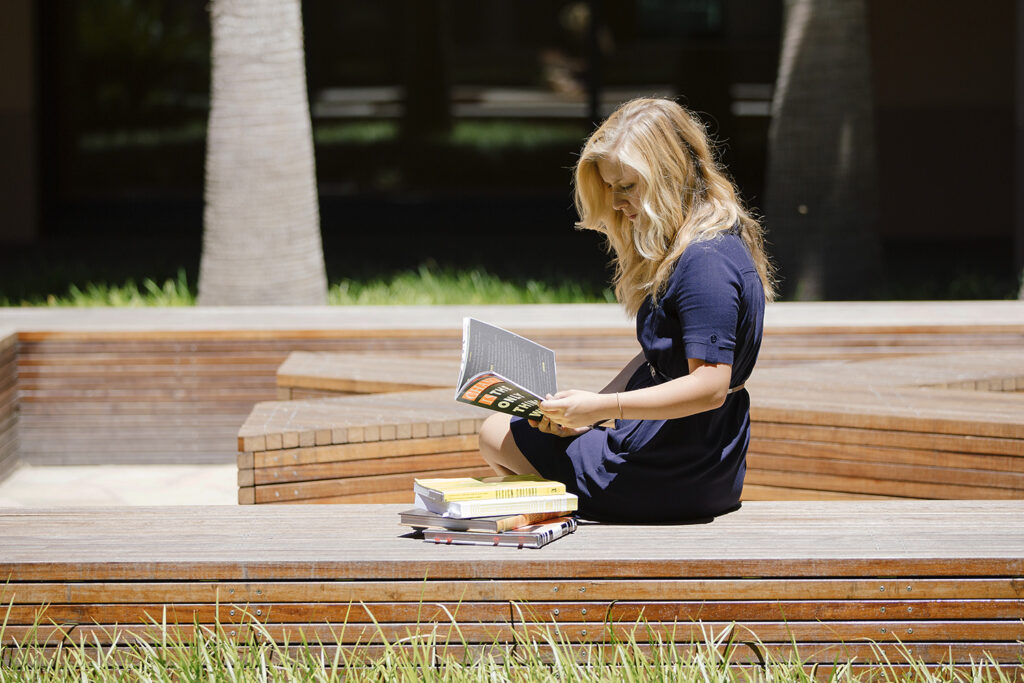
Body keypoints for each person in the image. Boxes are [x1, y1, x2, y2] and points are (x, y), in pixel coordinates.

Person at [478, 97, 775, 522]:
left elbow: (709, 386)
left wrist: (604, 409)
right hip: (700, 459)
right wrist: (591, 408)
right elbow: (663, 355)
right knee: (516, 440)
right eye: (609, 187)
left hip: (673, 469)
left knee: (496, 434)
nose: (616, 203)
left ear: (669, 174)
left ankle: (554, 512)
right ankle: (553, 507)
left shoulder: (705, 261)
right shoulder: (706, 240)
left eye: (627, 186)